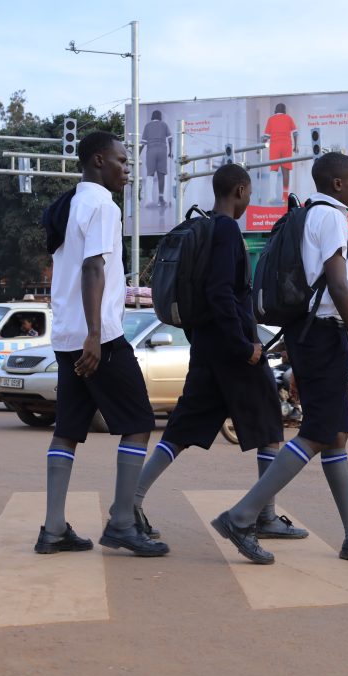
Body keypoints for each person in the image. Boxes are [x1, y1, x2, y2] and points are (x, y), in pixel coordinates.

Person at [210, 152, 348, 564]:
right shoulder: (332, 215)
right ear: (338, 185)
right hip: (321, 335)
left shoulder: (308, 215)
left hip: (309, 334)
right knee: (318, 433)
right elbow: (337, 286)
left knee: (334, 434)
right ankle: (241, 516)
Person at [133, 163, 308, 543]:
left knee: (182, 427)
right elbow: (220, 293)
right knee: (268, 425)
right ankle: (265, 515)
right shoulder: (227, 229)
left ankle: (132, 501)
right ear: (241, 190)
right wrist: (245, 346)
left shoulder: (208, 225)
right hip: (232, 348)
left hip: (208, 346)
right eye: (249, 195)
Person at [35, 131, 168, 558]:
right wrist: (96, 335)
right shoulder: (103, 206)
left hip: (66, 336)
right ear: (97, 161)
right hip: (99, 338)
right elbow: (94, 269)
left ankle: (54, 528)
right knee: (139, 422)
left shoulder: (69, 204)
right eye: (121, 161)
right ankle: (123, 523)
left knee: (68, 430)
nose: (127, 169)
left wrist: (82, 334)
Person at [262, 103, 298, 206]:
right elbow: (295, 133)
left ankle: (272, 195)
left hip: (275, 146)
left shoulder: (271, 119)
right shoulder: (289, 118)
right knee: (286, 171)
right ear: (284, 110)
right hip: (287, 145)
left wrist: (261, 145)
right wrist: (296, 146)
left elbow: (266, 137)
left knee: (273, 170)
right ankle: (285, 196)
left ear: (275, 110)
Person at [142, 110, 172, 208]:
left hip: (151, 151)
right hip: (162, 150)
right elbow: (170, 139)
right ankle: (161, 198)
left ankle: (149, 200)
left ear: (152, 117)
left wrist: (136, 154)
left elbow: (143, 143)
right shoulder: (164, 125)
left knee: (150, 175)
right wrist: (170, 152)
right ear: (160, 117)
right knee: (161, 175)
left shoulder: (147, 126)